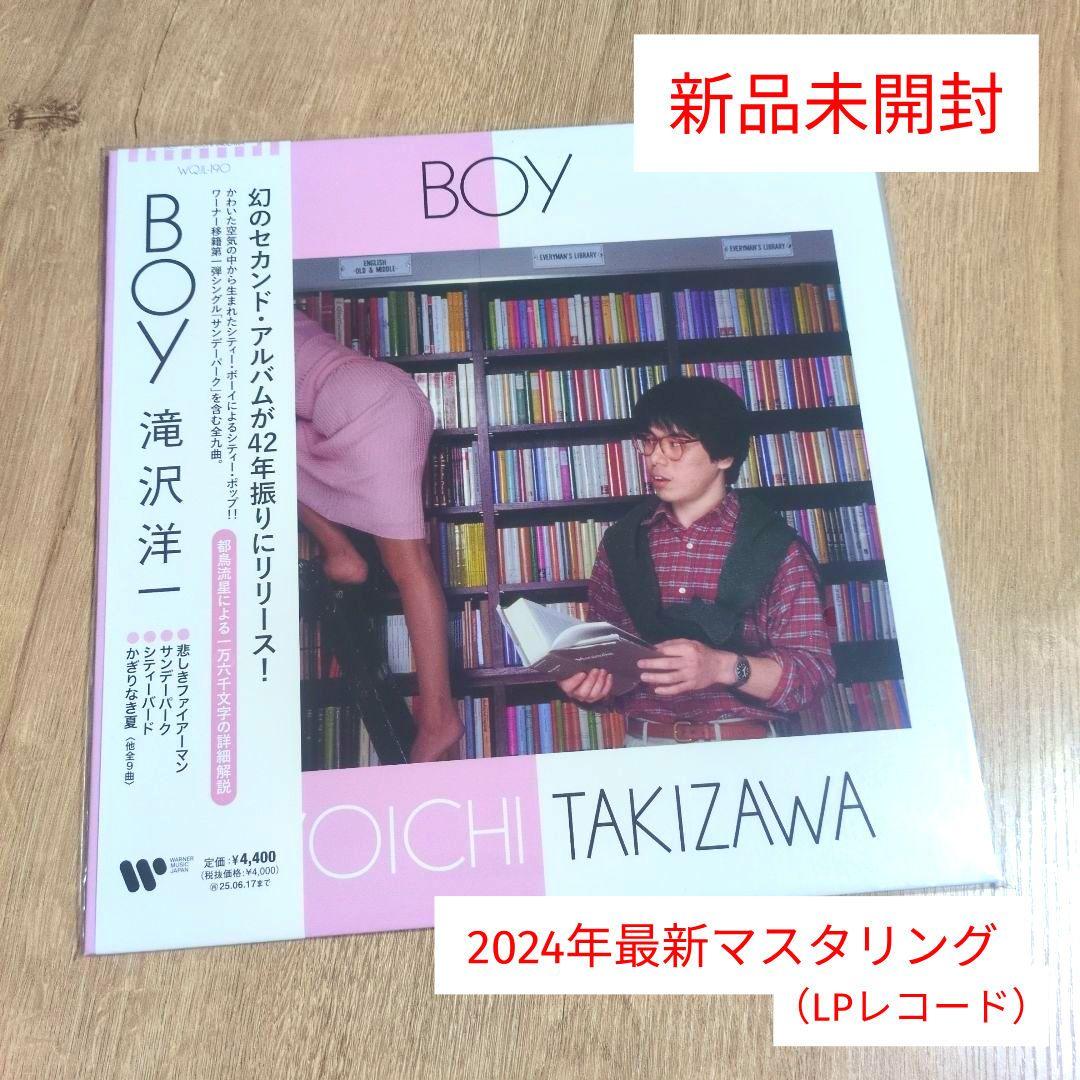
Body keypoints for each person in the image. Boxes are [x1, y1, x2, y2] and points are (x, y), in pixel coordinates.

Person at [558, 376, 835, 745]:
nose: (655, 458)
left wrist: (720, 666)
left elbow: (812, 675)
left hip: (744, 746)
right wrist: (589, 686)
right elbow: (607, 662)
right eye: (649, 441)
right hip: (645, 746)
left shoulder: (778, 547)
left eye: (676, 444)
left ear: (724, 455)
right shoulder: (621, 543)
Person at [294, 308, 462, 763]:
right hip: (381, 393)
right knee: (270, 451)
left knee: (409, 567)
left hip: (366, 403)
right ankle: (341, 553)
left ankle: (439, 717)